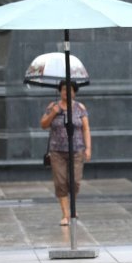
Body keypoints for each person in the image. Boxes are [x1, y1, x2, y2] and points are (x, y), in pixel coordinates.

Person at [40, 81, 91, 227]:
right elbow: (43, 124)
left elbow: (86, 129)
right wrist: (54, 113)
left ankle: (72, 208)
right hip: (57, 151)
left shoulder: (80, 108)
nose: (66, 92)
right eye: (63, 90)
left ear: (74, 92)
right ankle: (66, 214)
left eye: (69, 90)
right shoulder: (52, 107)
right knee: (61, 182)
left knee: (74, 182)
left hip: (76, 149)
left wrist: (88, 148)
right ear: (60, 91)